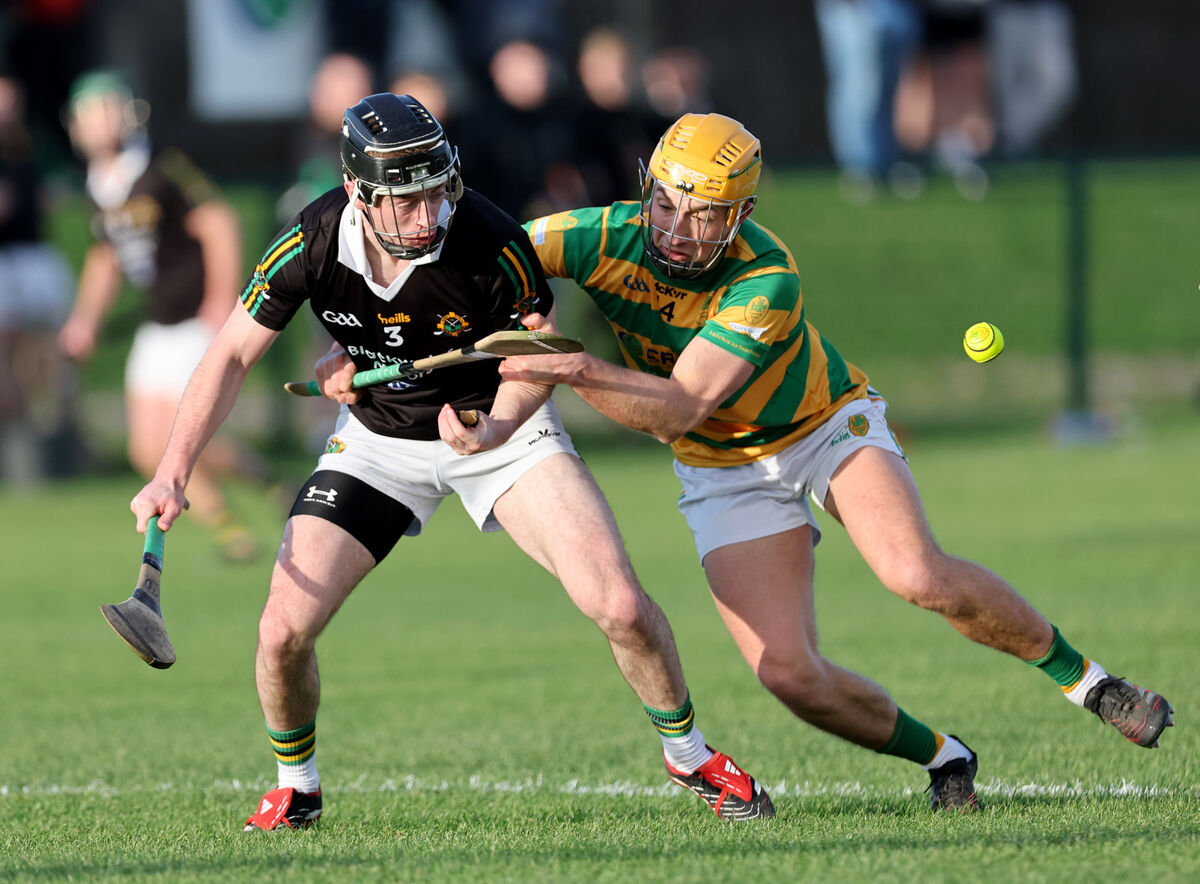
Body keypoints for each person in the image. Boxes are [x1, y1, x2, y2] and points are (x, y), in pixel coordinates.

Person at [492, 111, 1173, 810]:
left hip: (822, 426)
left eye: (704, 215)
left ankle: (1091, 684)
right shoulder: (596, 234)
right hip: (722, 469)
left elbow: (680, 406)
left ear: (742, 213)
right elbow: (493, 249)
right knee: (788, 675)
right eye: (665, 202)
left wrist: (569, 366)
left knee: (915, 573)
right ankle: (945, 758)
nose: (676, 228)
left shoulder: (766, 280)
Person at [129, 93, 774, 832]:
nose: (427, 217)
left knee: (620, 606)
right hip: (376, 444)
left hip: (503, 436)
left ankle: (689, 755)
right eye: (404, 202)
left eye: (438, 194)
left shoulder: (490, 241)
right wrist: (173, 470)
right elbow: (232, 354)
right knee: (281, 632)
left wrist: (495, 426)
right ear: (356, 195)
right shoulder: (308, 241)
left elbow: (542, 358)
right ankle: (296, 787)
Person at [57, 69, 263, 560]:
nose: (99, 123)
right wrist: (84, 320)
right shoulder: (98, 186)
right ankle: (249, 495)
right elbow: (105, 259)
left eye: (107, 109)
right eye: (89, 114)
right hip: (157, 324)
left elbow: (219, 222)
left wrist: (222, 298)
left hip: (194, 318)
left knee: (174, 440)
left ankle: (240, 522)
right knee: (145, 448)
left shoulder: (160, 167)